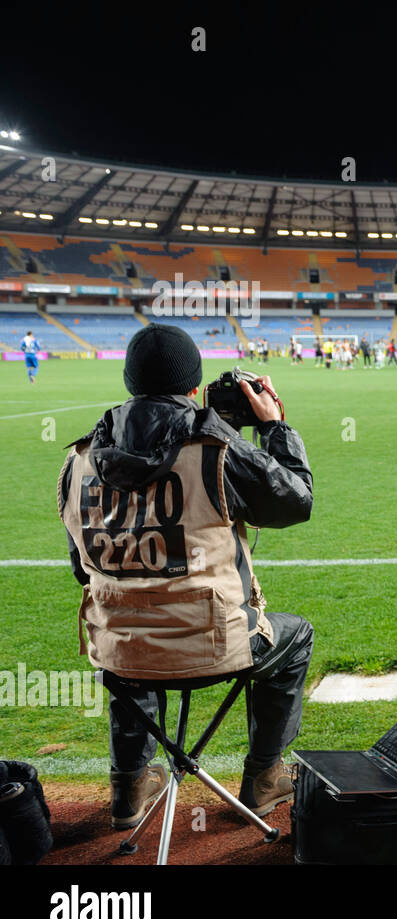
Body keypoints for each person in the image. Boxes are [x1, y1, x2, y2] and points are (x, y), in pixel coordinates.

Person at [56, 324, 315, 827]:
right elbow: (295, 501)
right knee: (296, 637)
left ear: (129, 383)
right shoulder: (216, 447)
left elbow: (81, 572)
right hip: (216, 645)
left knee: (131, 639)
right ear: (195, 389)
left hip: (120, 648)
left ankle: (128, 786)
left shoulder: (77, 462)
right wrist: (276, 427)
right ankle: (264, 777)